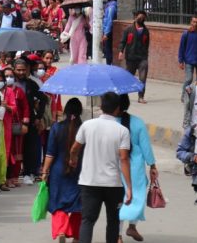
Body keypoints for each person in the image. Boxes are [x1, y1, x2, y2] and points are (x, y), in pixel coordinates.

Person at [69, 92, 133, 243]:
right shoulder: (122, 130)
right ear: (117, 108)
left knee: (87, 221)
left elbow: (74, 148)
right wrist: (129, 187)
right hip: (113, 184)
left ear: (101, 106)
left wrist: (73, 159)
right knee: (113, 221)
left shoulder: (87, 125)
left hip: (89, 182)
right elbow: (124, 158)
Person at [41, 99, 84, 243]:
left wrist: (45, 171)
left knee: (58, 202)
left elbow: (50, 153)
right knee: (79, 205)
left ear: (65, 111)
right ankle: (77, 236)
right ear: (80, 112)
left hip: (58, 171)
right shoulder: (85, 128)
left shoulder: (56, 128)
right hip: (80, 171)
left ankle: (61, 231)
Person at [117, 95, 157, 242]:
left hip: (116, 167)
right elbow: (146, 147)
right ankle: (132, 226)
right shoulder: (138, 123)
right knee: (137, 197)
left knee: (118, 201)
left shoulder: (110, 123)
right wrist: (152, 165)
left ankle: (118, 234)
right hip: (136, 168)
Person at [118, 10, 150, 103]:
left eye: (143, 17)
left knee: (142, 79)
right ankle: (123, 96)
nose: (141, 19)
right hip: (131, 58)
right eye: (140, 17)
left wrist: (145, 55)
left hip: (142, 58)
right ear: (135, 18)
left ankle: (141, 97)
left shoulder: (146, 31)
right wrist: (121, 51)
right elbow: (123, 42)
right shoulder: (128, 29)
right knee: (128, 78)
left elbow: (147, 44)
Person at [178, 14, 197, 101]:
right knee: (189, 79)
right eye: (194, 22)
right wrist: (180, 60)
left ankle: (196, 97)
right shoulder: (186, 33)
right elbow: (181, 47)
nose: (195, 23)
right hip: (189, 60)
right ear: (191, 22)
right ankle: (184, 95)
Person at [102, 0, 118, 65]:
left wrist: (106, 33)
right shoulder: (109, 6)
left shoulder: (111, 7)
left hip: (109, 32)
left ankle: (109, 65)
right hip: (107, 30)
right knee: (107, 49)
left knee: (108, 50)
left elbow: (109, 20)